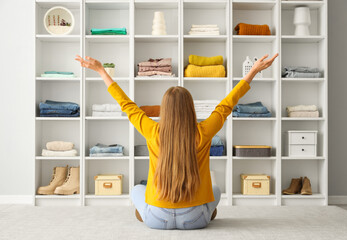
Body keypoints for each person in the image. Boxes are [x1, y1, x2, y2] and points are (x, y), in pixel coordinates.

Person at [75, 53, 278, 230]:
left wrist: (101, 71)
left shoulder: (153, 131)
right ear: (190, 108)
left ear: (165, 110)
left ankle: (146, 212)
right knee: (214, 190)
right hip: (195, 219)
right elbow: (227, 104)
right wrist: (252, 72)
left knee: (138, 190)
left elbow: (127, 106)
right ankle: (205, 211)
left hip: (157, 218)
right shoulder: (203, 132)